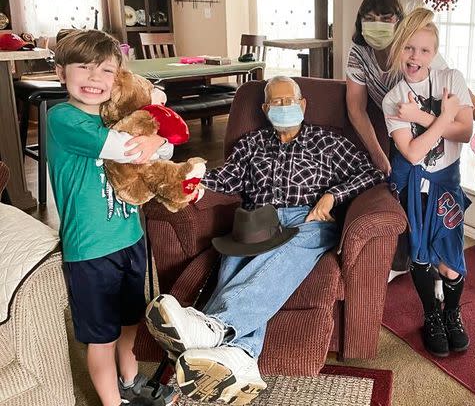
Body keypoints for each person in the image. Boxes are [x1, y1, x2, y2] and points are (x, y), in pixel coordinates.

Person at [144, 76, 385, 404]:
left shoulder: (329, 142)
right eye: (276, 103)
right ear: (264, 108)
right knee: (237, 256)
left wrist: (332, 195)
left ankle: (213, 328)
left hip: (308, 219)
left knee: (288, 249)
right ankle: (240, 356)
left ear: (302, 105)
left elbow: (372, 172)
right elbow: (223, 179)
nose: (283, 107)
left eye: (290, 102)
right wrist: (191, 181)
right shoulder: (250, 145)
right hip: (256, 221)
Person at [47, 29, 176, 406]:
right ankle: (111, 402)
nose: (94, 79)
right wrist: (157, 139)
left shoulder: (114, 115)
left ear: (118, 78)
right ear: (60, 73)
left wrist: (158, 141)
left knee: (129, 322)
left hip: (129, 237)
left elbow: (162, 153)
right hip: (90, 249)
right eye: (83, 68)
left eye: (105, 71)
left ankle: (131, 382)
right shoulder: (62, 119)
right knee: (100, 336)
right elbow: (137, 150)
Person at [346, 0, 475, 280]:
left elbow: (464, 100)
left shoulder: (417, 50)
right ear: (360, 22)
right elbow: (356, 109)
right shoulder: (360, 54)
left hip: (429, 125)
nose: (377, 25)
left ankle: (440, 263)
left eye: (386, 19)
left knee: (437, 204)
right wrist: (378, 154)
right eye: (370, 19)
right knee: (402, 196)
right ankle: (404, 262)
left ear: (399, 24)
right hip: (394, 124)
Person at [382, 8, 473, 358]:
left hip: (447, 184)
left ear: (434, 53)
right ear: (398, 50)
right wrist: (443, 116)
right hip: (415, 185)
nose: (414, 57)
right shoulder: (393, 99)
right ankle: (431, 315)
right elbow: (415, 153)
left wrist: (421, 116)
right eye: (408, 48)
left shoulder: (451, 79)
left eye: (423, 50)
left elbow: (464, 131)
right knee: (420, 258)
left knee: (450, 263)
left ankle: (452, 313)